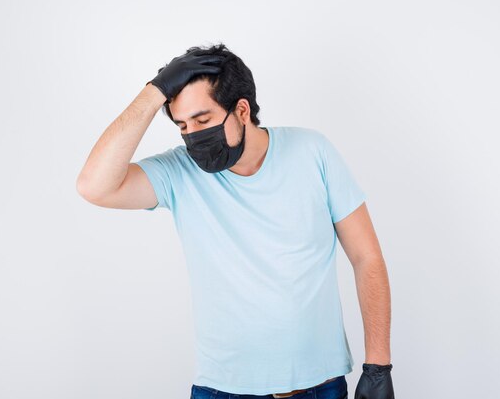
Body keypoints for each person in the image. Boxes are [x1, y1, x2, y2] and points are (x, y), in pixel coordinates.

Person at [76, 43, 394, 399]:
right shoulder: (180, 171)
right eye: (182, 125)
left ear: (241, 110)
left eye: (203, 120)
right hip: (223, 390)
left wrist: (378, 367)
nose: (193, 136)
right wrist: (154, 93)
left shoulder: (312, 151)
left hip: (319, 386)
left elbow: (366, 257)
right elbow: (94, 186)